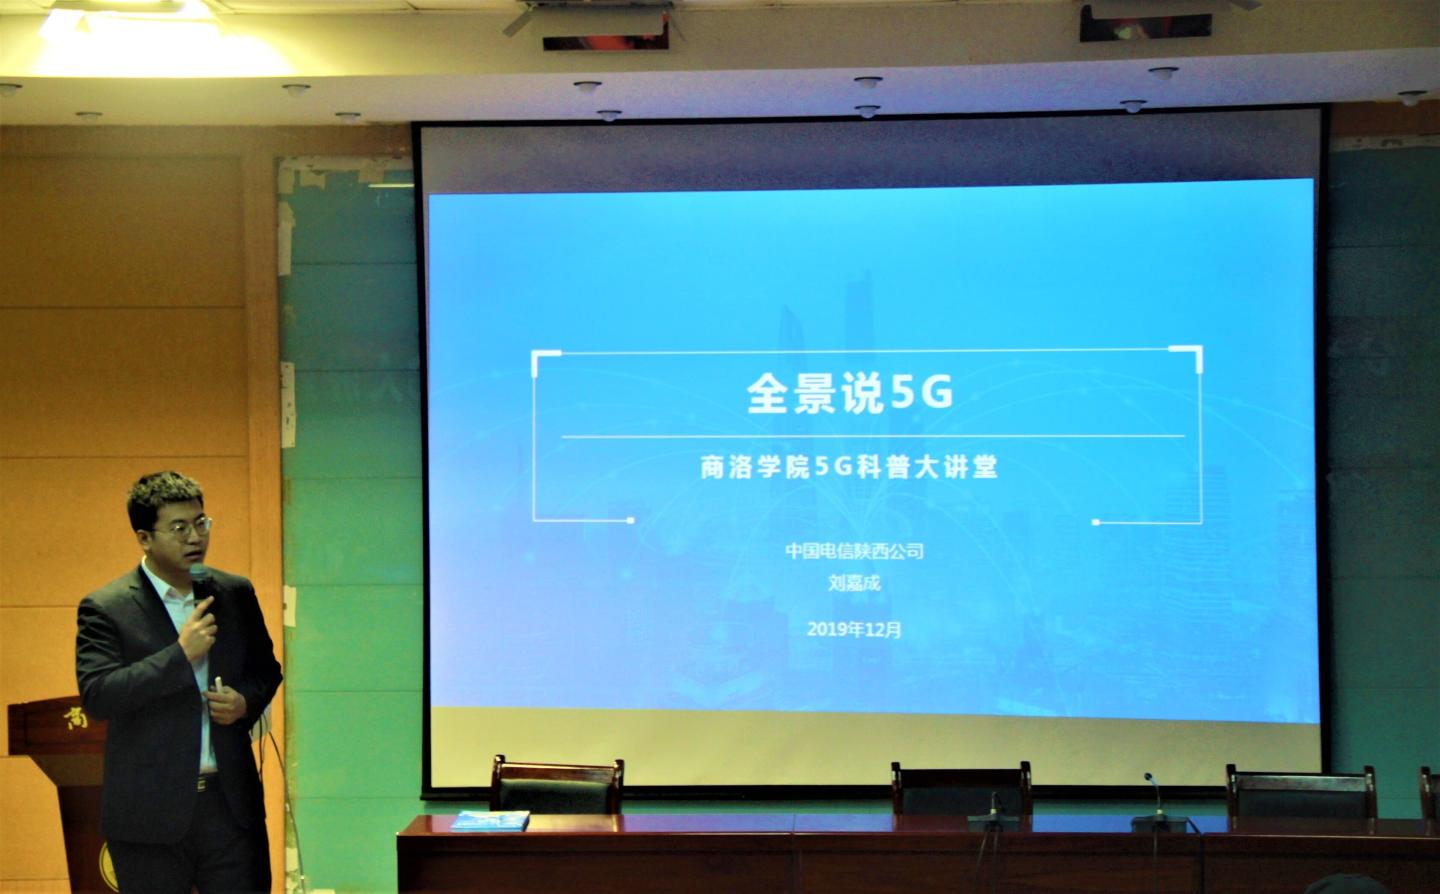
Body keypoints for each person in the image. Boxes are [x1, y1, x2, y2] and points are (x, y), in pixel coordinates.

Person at [75, 471, 282, 893]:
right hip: (149, 815)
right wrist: (179, 656)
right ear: (144, 538)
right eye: (179, 528)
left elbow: (266, 670)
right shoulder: (107, 607)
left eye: (201, 523)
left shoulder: (233, 592)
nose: (196, 537)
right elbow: (98, 695)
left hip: (230, 808)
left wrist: (244, 702)